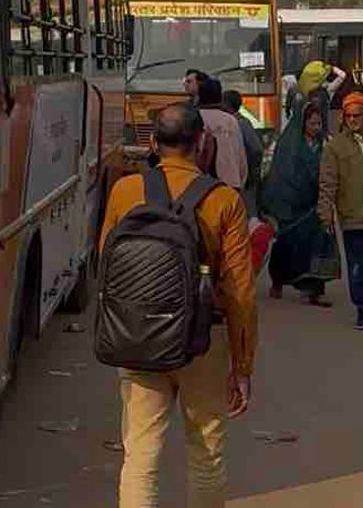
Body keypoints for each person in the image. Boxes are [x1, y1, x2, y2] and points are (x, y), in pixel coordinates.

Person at [100, 104, 256, 508]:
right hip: (204, 341)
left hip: (139, 339)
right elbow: (240, 291)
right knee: (206, 457)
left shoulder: (125, 191)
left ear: (152, 142)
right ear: (202, 144)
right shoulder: (224, 201)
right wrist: (242, 367)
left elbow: (105, 263)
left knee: (140, 459)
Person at [263, 103, 333, 306]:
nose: (316, 127)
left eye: (319, 123)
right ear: (302, 124)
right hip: (291, 205)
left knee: (316, 246)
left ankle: (312, 290)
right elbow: (281, 174)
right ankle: (278, 281)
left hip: (315, 203)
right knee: (286, 246)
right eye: (312, 123)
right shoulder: (289, 144)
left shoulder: (324, 143)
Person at [318, 92, 363, 330]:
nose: (352, 120)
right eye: (348, 116)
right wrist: (325, 212)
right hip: (354, 217)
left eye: (357, 116)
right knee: (358, 266)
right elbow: (328, 183)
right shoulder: (335, 147)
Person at [197, 78, 247, 190]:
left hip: (197, 185)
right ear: (220, 98)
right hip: (229, 183)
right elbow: (240, 154)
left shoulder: (192, 117)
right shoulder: (229, 120)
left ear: (199, 96)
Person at [223, 90, 263, 210]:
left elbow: (256, 149)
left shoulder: (240, 123)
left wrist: (250, 170)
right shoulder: (237, 122)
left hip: (243, 178)